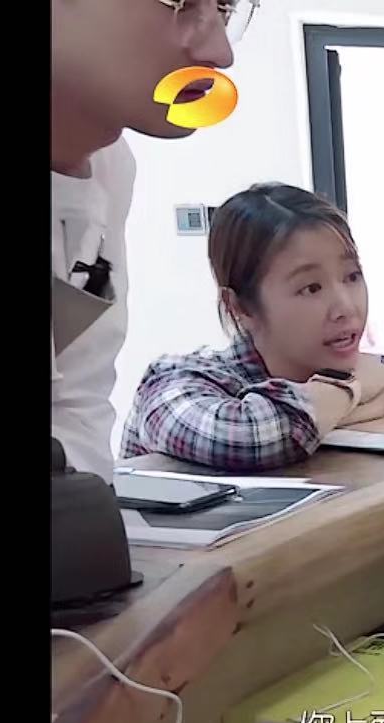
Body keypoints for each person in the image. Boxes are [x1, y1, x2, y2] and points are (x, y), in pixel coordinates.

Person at [121, 183, 384, 471]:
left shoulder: (352, 367)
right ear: (241, 307)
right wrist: (353, 387)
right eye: (311, 288)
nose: (345, 307)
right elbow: (247, 436)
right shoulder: (179, 380)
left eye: (352, 277)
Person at [52, 0, 246, 481]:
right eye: (182, 2)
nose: (219, 52)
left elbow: (75, 404)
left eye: (227, 8)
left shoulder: (110, 168)